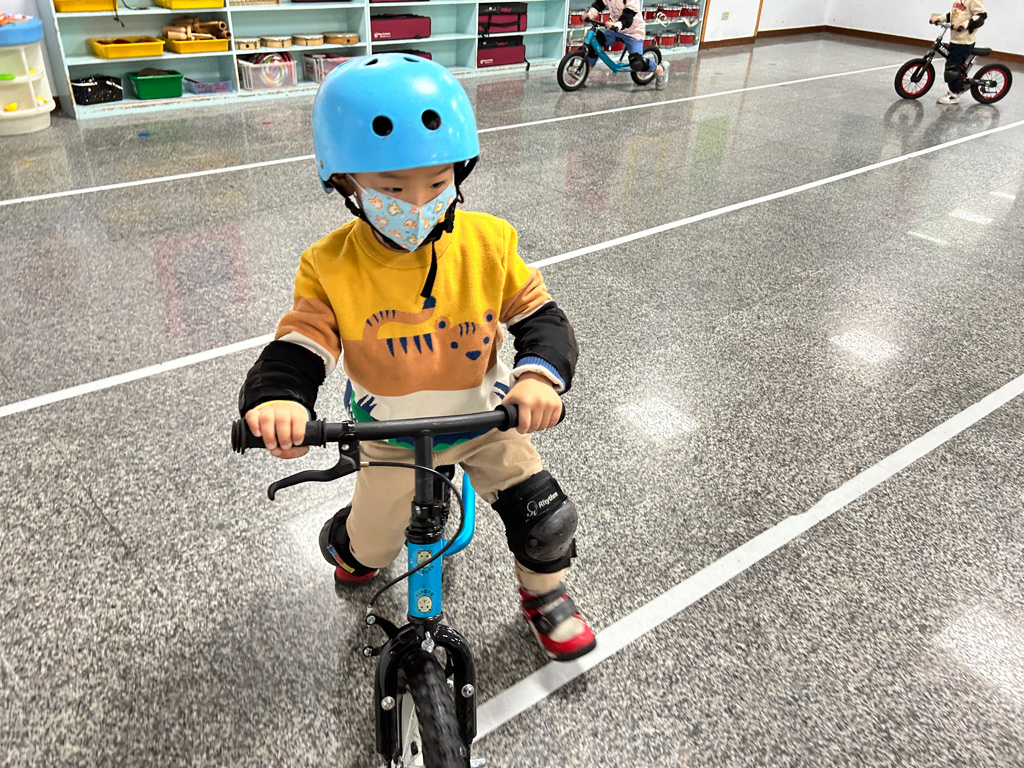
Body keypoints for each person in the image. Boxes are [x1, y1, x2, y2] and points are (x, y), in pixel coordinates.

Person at [238, 54, 597, 662]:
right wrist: (279, 399)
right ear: (345, 183)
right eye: (392, 189)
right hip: (389, 436)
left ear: (461, 169)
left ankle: (544, 595)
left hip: (486, 422)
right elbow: (301, 343)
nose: (418, 202)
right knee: (370, 553)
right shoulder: (329, 265)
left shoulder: (489, 243)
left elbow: (542, 319)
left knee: (547, 520)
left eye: (436, 183)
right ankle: (351, 537)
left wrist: (539, 378)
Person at [586, 0, 668, 90]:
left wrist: (617, 25)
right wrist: (589, 15)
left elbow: (628, 16)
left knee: (637, 63)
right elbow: (599, 4)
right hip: (616, 30)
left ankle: (660, 70)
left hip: (633, 32)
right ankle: (584, 74)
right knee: (595, 43)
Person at [930, 1, 987, 105]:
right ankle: (960, 83)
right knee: (955, 65)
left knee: (951, 68)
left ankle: (954, 95)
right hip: (955, 40)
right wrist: (940, 18)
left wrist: (964, 24)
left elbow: (981, 16)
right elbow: (954, 15)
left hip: (964, 42)